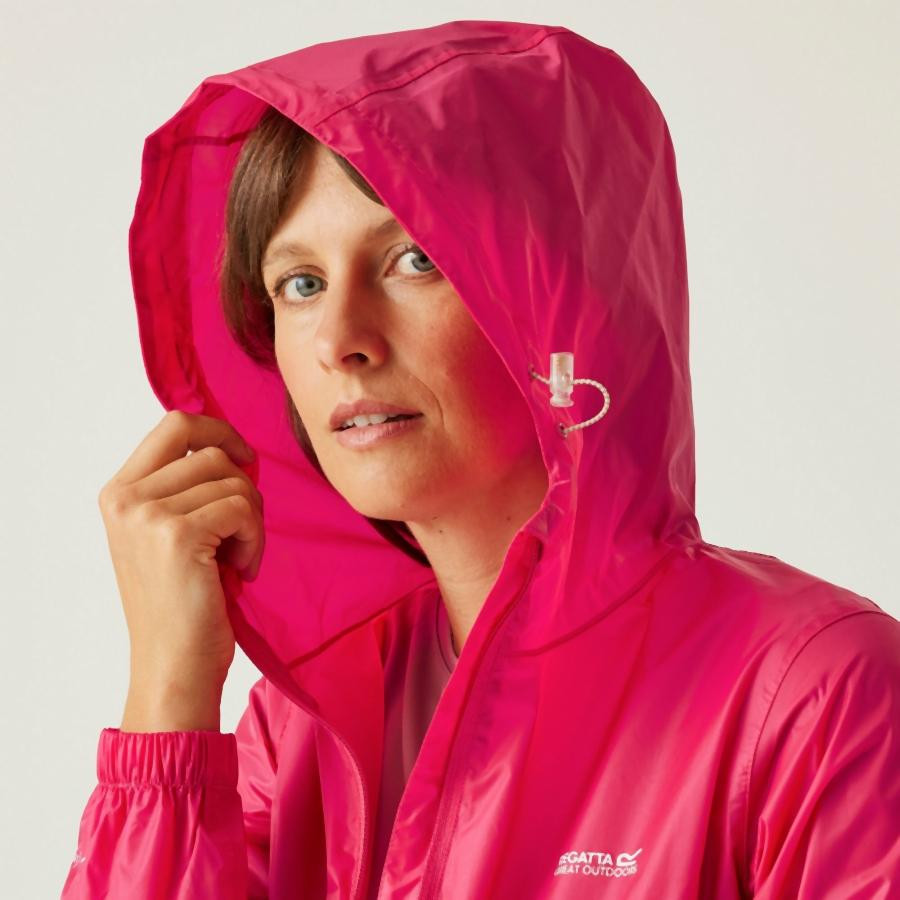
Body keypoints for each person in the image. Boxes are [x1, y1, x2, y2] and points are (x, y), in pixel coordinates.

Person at [61, 19, 900, 900]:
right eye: (299, 284)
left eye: (415, 260)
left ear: (571, 295)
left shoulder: (817, 695)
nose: (340, 341)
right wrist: (168, 697)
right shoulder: (304, 730)